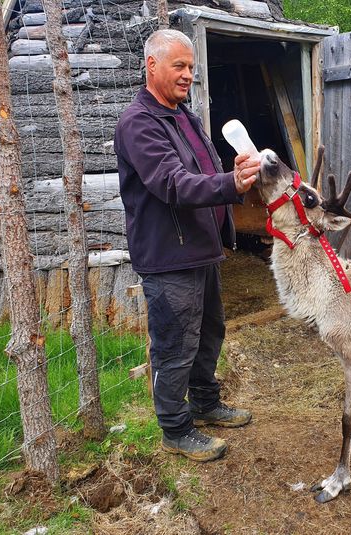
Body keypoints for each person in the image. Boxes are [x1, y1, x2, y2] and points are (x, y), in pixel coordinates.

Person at [114, 29, 260, 462]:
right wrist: (227, 184)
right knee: (175, 345)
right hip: (169, 256)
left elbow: (204, 169)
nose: (188, 75)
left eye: (192, 68)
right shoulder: (138, 123)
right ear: (152, 66)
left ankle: (205, 402)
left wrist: (230, 172)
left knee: (209, 333)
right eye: (179, 66)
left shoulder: (184, 116)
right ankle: (175, 429)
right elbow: (172, 184)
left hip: (201, 249)